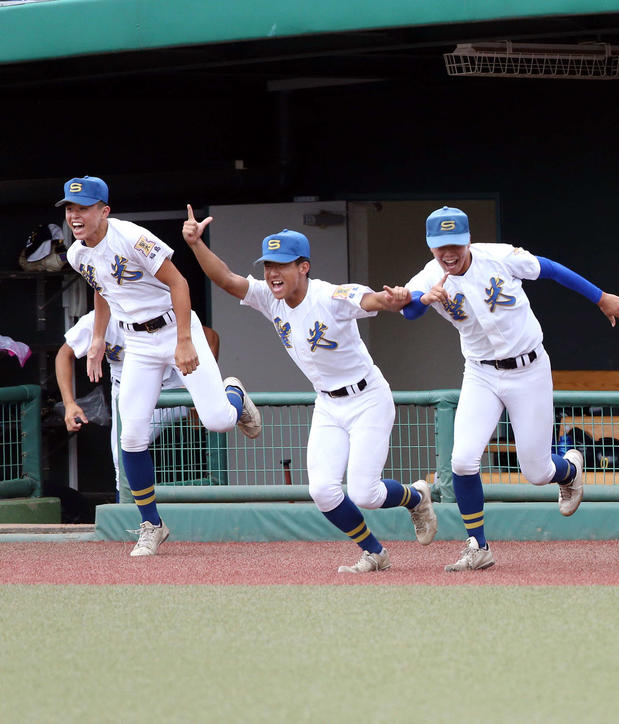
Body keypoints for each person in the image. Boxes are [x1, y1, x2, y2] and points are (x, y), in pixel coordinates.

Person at [182, 209, 436, 572]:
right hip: (329, 404)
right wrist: (195, 244)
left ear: (303, 267)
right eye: (268, 264)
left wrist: (393, 300)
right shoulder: (271, 298)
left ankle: (416, 497)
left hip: (367, 398)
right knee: (322, 491)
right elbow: (226, 279)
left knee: (366, 493)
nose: (272, 273)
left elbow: (369, 300)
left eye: (281, 265)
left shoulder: (330, 296)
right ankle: (374, 552)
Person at [398, 206, 619, 572]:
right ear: (431, 247)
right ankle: (477, 546)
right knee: (462, 460)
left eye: (455, 244)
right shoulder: (431, 276)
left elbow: (552, 270)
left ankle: (569, 471)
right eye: (440, 246)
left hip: (528, 369)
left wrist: (600, 296)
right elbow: (409, 311)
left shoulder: (499, 256)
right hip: (480, 374)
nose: (448, 253)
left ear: (468, 240)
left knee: (537, 471)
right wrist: (421, 301)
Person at [60, 176, 261, 557]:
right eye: (70, 209)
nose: (75, 215)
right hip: (136, 341)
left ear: (104, 211)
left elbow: (179, 282)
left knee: (217, 420)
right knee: (131, 438)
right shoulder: (77, 253)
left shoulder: (132, 237)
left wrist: (184, 339)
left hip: (174, 326)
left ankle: (233, 393)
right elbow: (103, 288)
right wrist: (99, 337)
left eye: (83, 207)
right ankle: (152, 524)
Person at [56, 311, 217, 493]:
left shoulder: (155, 309)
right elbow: (63, 354)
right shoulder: (98, 320)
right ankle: (131, 512)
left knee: (217, 419)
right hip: (127, 389)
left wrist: (197, 382)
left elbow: (211, 337)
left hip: (171, 387)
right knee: (121, 458)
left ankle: (230, 401)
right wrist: (69, 403)